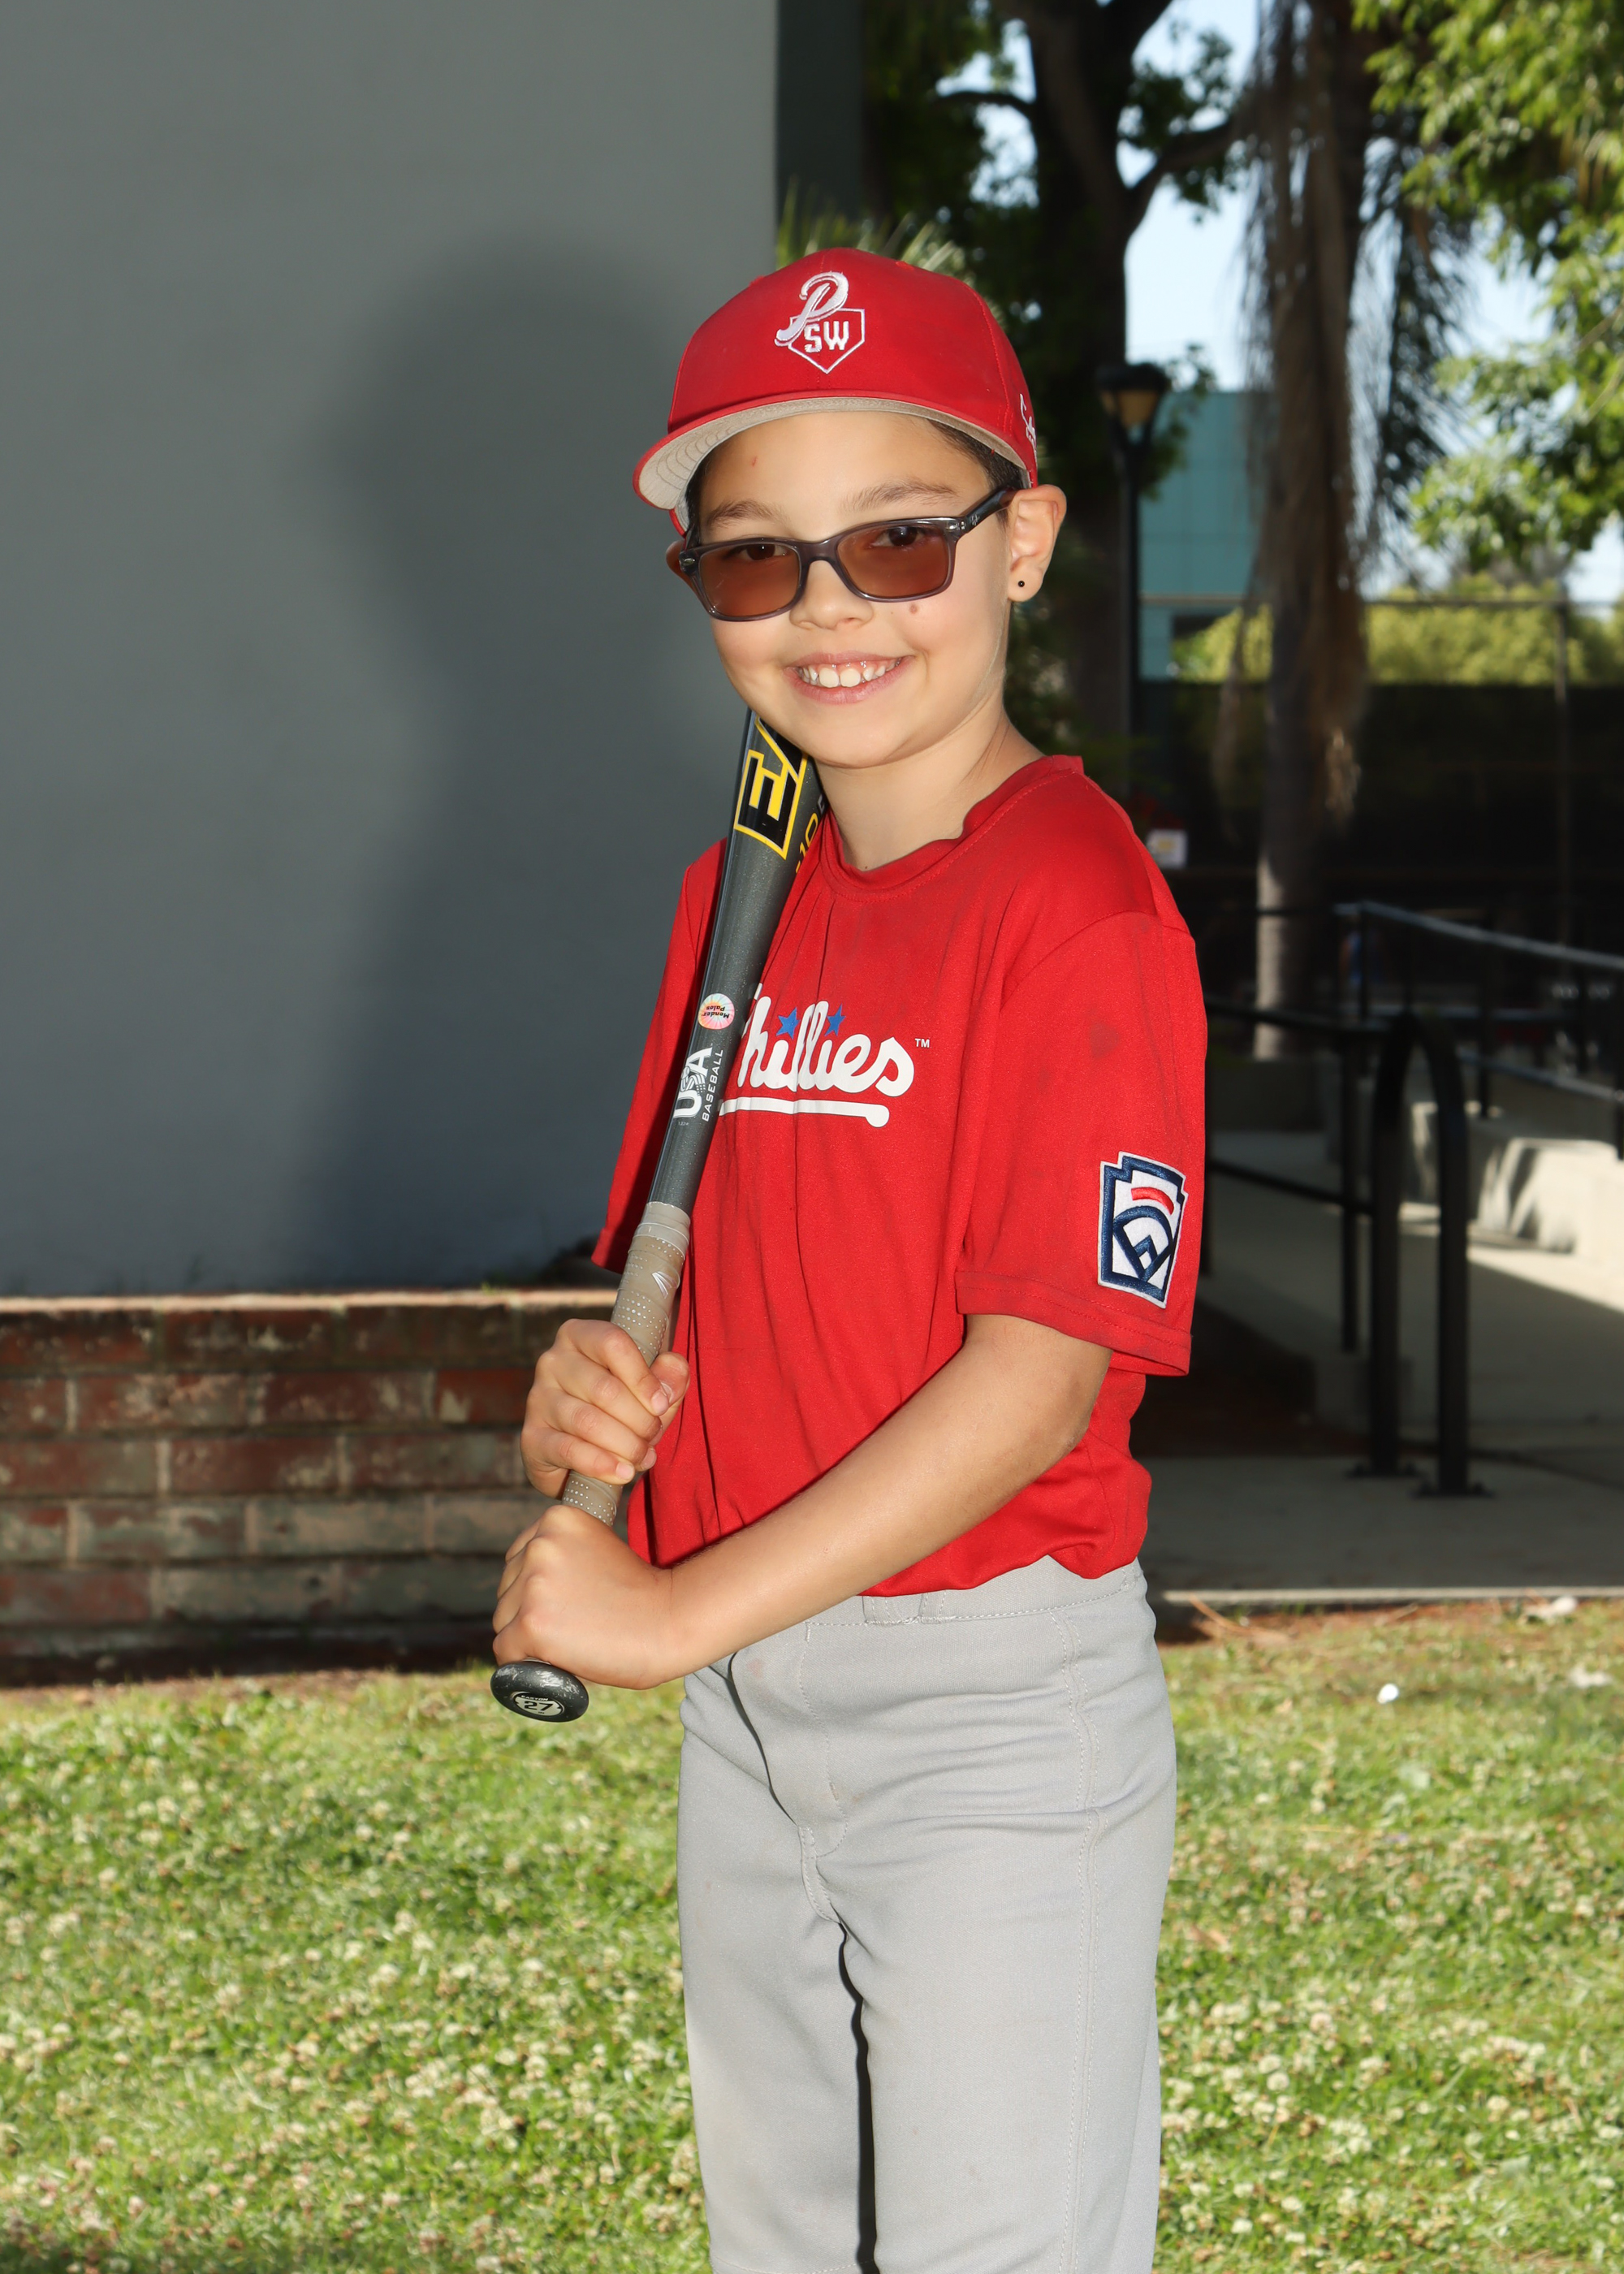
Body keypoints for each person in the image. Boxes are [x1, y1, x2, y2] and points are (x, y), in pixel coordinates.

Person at [495, 249, 1205, 2274]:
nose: (828, 608)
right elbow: (700, 1280)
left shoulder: (1078, 907)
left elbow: (1033, 1381)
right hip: (754, 1695)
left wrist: (668, 1606)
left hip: (986, 1708)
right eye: (755, 559)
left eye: (897, 541)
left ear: (1022, 542)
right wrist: (595, 1400)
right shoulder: (741, 896)